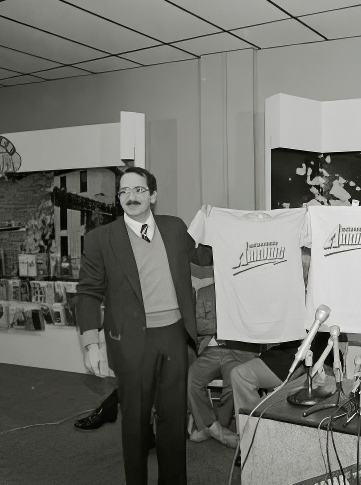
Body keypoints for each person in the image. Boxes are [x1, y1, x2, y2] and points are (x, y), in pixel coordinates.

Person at [76, 166, 211, 484]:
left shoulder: (175, 228)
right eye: (123, 191)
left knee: (173, 419)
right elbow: (88, 293)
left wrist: (219, 228)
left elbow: (204, 257)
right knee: (135, 422)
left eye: (138, 190)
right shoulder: (101, 239)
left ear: (153, 195)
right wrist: (90, 342)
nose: (130, 196)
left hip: (174, 336)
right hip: (131, 341)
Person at [188, 282, 260, 449]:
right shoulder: (205, 292)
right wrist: (226, 321)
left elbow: (253, 324)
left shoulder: (249, 289)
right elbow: (198, 326)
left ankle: (216, 425)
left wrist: (220, 323)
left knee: (233, 380)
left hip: (239, 349)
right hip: (212, 349)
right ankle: (215, 429)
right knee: (191, 378)